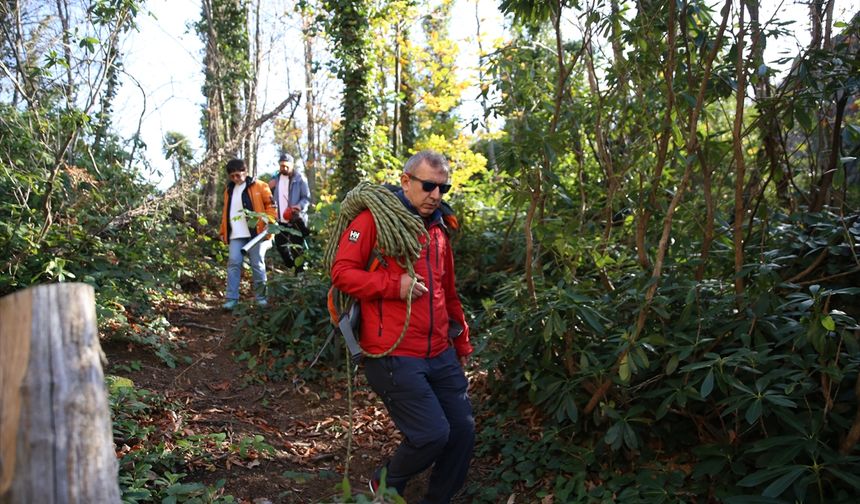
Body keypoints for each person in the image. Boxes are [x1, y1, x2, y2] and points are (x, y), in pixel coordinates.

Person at [330, 150, 474, 503]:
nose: (436, 196)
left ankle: (438, 498)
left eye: (443, 188)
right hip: (393, 354)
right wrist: (395, 287)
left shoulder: (439, 226)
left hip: (439, 349)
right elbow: (342, 273)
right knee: (431, 434)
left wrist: (462, 344)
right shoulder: (372, 220)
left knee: (462, 433)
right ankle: (387, 483)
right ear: (406, 181)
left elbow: (447, 289)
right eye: (428, 186)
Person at [218, 158, 276, 309]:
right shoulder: (228, 190)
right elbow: (226, 212)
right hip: (236, 234)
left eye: (238, 175)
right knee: (233, 263)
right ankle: (231, 298)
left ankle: (261, 298)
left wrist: (269, 222)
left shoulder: (260, 186)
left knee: (257, 264)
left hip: (256, 233)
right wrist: (223, 230)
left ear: (246, 172)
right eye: (232, 176)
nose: (236, 179)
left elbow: (271, 206)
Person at [269, 153, 311, 271]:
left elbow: (306, 198)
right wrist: (269, 187)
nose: (285, 168)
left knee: (297, 249)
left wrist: (299, 206)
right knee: (280, 245)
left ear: (292, 165)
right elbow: (268, 198)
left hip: (295, 219)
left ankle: (300, 275)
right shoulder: (275, 179)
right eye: (282, 166)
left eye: (287, 166)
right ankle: (291, 267)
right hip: (280, 220)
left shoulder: (300, 178)